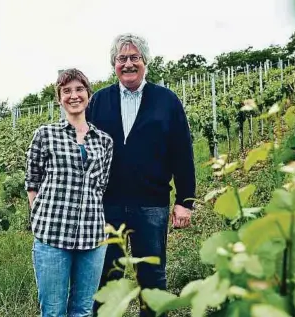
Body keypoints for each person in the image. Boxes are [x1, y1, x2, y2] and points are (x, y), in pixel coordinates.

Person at [86, 33, 196, 317]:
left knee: (152, 277)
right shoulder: (99, 101)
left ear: (145, 62)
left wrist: (185, 200)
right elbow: (85, 150)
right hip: (107, 205)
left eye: (135, 57)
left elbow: (182, 152)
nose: (128, 64)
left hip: (151, 204)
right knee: (107, 278)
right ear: (114, 64)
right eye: (122, 58)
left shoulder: (166, 101)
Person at [25, 68, 114, 317]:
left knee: (83, 311)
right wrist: (41, 217)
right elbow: (32, 182)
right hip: (52, 237)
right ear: (59, 97)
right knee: (53, 312)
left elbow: (101, 185)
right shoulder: (45, 135)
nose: (73, 95)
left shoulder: (104, 141)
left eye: (79, 89)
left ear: (88, 94)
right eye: (66, 91)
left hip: (92, 237)